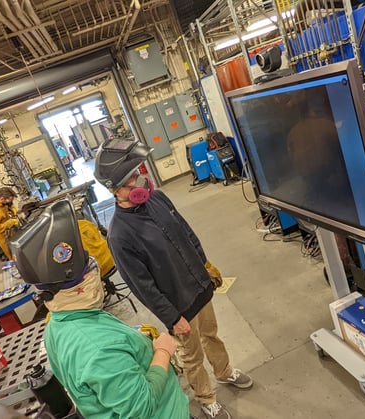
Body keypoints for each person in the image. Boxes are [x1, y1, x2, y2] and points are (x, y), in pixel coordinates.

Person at [94, 139, 253, 419]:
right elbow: (141, 285)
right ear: (116, 189)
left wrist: (204, 264)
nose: (140, 179)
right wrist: (171, 316)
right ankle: (206, 397)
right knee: (191, 356)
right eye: (132, 178)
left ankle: (224, 372)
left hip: (198, 284)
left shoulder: (157, 198)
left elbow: (185, 230)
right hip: (178, 304)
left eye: (138, 172)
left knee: (212, 335)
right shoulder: (120, 235)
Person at [8, 199, 190, 419]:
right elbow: (143, 407)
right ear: (80, 284)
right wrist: (163, 351)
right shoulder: (100, 350)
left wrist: (132, 342)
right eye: (89, 266)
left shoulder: (57, 324)